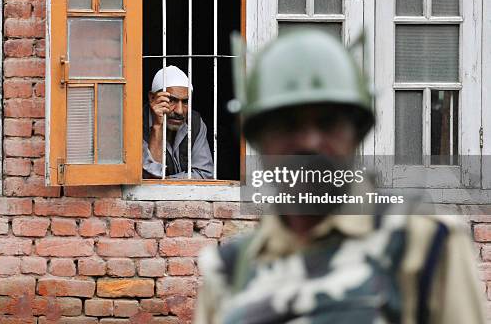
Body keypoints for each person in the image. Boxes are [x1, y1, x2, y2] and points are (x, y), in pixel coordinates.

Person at [194, 31, 486, 323]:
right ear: (256, 138)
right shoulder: (229, 271)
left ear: (357, 134)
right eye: (286, 123)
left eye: (328, 121)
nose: (309, 141)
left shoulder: (423, 246)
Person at [143, 65, 213, 179]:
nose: (180, 111)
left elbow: (205, 174)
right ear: (152, 98)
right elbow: (149, 179)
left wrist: (169, 181)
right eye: (171, 100)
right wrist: (157, 126)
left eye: (185, 102)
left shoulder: (195, 122)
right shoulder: (136, 122)